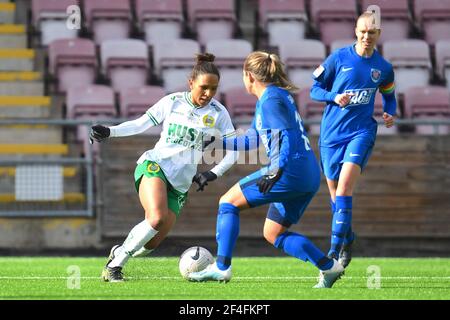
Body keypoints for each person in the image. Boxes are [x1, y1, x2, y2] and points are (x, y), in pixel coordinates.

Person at [187, 51, 344, 289]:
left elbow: (283, 138)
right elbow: (252, 140)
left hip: (289, 170)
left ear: (249, 76)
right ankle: (328, 267)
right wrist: (217, 141)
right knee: (273, 233)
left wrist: (276, 170)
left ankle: (221, 268)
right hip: (307, 174)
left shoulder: (270, 100)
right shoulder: (273, 98)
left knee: (227, 203)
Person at [90, 53, 238, 282]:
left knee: (152, 242)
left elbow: (234, 150)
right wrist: (110, 131)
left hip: (180, 184)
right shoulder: (172, 102)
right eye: (204, 87)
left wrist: (211, 173)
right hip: (155, 165)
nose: (208, 94)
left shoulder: (219, 113)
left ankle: (120, 252)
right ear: (191, 83)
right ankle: (114, 267)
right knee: (156, 218)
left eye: (214, 89)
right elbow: (141, 124)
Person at [310, 12, 397, 274]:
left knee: (345, 189)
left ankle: (334, 252)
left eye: (372, 32)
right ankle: (348, 239)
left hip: (361, 132)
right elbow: (314, 89)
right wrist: (334, 97)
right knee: (336, 197)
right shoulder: (338, 58)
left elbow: (390, 96)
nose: (366, 37)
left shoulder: (383, 67)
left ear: (378, 34)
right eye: (362, 32)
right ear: (355, 31)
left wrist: (389, 111)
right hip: (331, 136)